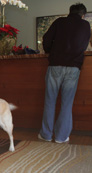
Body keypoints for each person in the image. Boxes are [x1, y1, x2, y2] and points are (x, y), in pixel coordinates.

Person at [39, 3, 91, 143]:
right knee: (67, 103)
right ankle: (61, 137)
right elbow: (84, 45)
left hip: (55, 65)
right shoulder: (86, 25)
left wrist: (50, 51)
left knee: (50, 101)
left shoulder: (59, 22)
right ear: (83, 15)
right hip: (73, 67)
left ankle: (46, 135)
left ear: (70, 12)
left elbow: (46, 39)